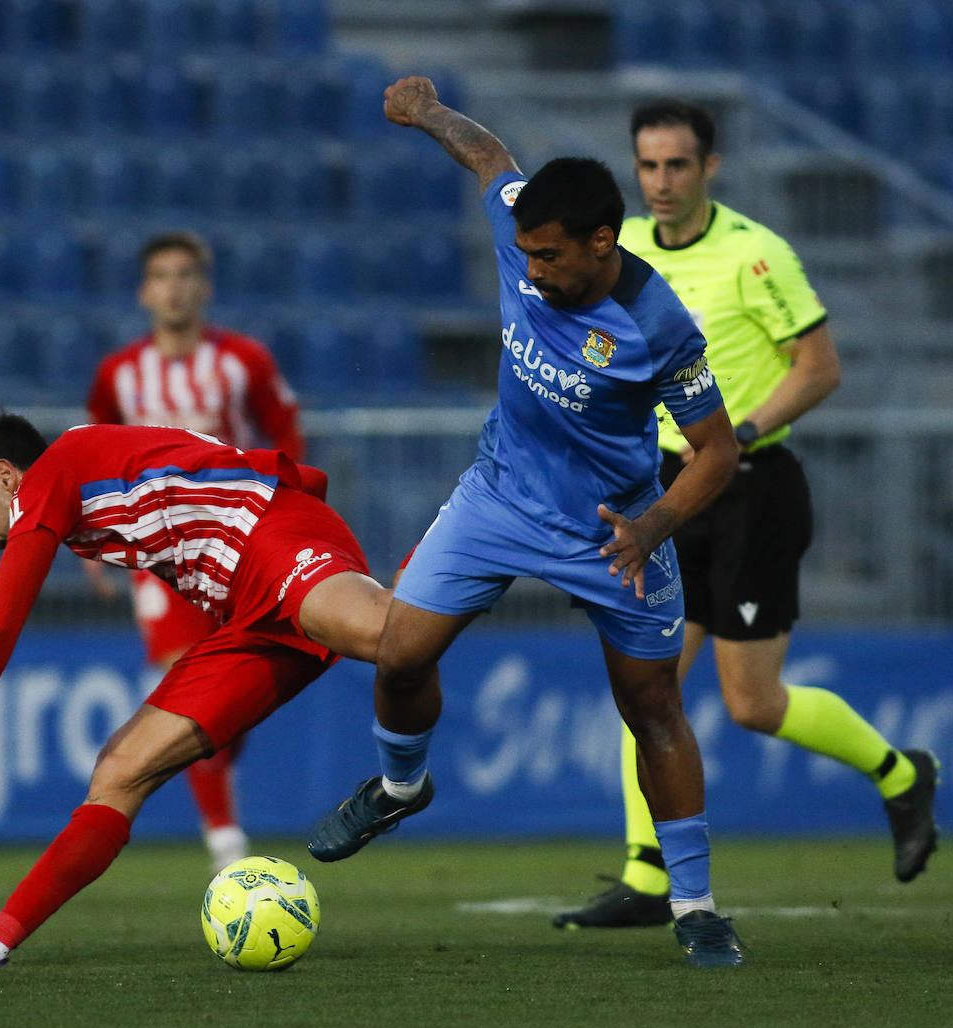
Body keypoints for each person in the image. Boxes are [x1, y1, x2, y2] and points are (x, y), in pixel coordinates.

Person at [304, 76, 745, 968]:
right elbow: (491, 156)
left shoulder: (659, 327)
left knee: (652, 707)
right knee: (398, 651)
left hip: (613, 529)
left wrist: (654, 525)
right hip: (498, 495)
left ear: (599, 243)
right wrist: (428, 113)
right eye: (523, 254)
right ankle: (399, 786)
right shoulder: (525, 225)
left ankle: (695, 906)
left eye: (547, 257)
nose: (530, 272)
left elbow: (719, 453)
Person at [552, 100, 939, 931]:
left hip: (752, 485)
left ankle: (901, 773)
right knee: (645, 678)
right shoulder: (618, 255)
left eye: (677, 166)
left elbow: (820, 365)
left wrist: (745, 431)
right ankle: (646, 876)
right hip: (660, 490)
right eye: (647, 166)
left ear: (709, 169)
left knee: (751, 702)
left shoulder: (756, 253)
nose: (659, 183)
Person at [0, 410, 391, 968]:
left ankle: (466, 545)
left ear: (6, 477)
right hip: (248, 613)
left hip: (276, 537)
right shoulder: (76, 488)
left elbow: (1, 621)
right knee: (119, 770)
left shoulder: (52, 472)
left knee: (388, 635)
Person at [85, 230, 305, 872]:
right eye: (162, 275)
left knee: (229, 704)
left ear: (204, 287)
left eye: (186, 274)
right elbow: (94, 455)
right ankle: (227, 843)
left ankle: (219, 813)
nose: (175, 287)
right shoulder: (119, 376)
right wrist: (91, 544)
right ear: (144, 291)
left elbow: (287, 433)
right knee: (188, 684)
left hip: (242, 548)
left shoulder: (244, 362)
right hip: (160, 556)